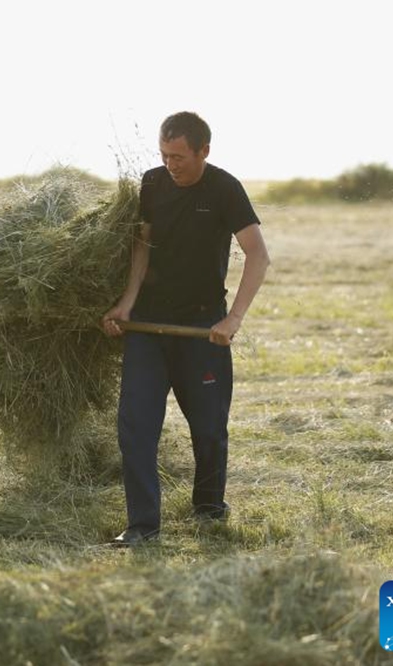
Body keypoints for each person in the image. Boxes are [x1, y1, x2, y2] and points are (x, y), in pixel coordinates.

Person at [101, 112, 270, 547]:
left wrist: (232, 319)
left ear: (203, 152)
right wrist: (127, 303)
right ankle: (142, 527)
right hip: (149, 326)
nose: (170, 164)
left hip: (202, 325)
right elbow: (143, 245)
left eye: (178, 156)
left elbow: (257, 255)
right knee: (135, 426)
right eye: (164, 154)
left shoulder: (225, 189)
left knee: (209, 427)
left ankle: (209, 510)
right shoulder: (153, 183)